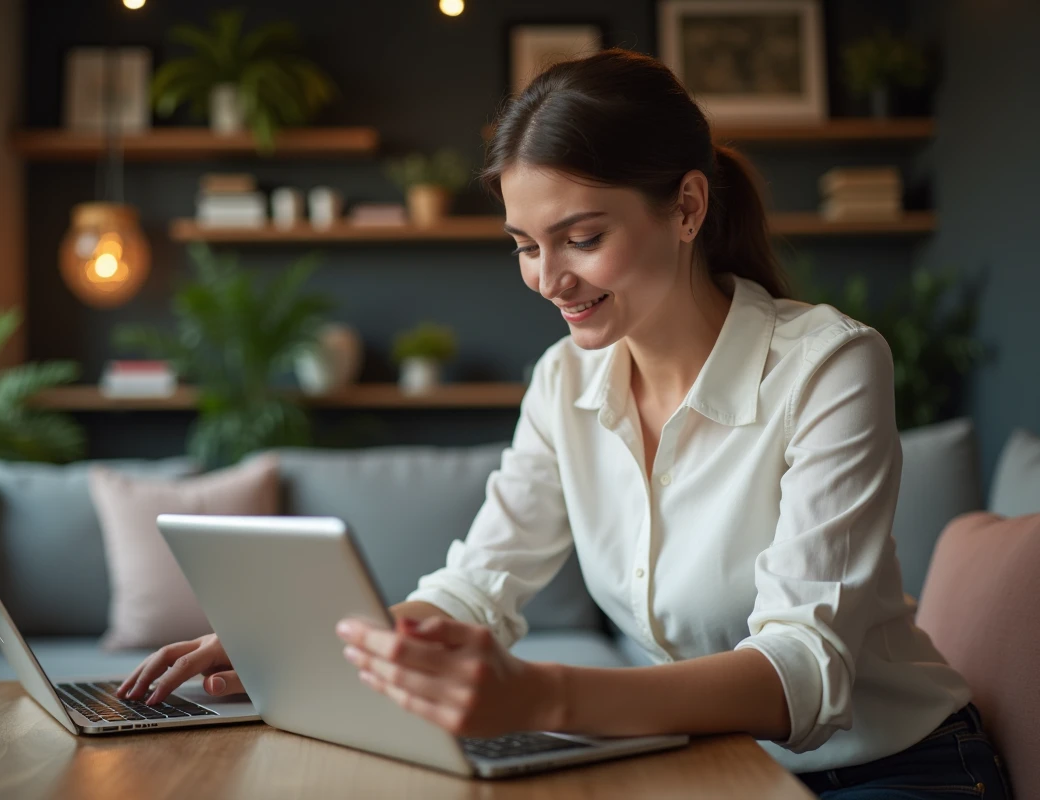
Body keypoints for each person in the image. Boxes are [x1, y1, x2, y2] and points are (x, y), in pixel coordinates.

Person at [117, 49, 1012, 798]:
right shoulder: (564, 380)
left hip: (895, 770)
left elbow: (804, 673)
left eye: (581, 238)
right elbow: (477, 588)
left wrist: (537, 696)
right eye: (523, 245)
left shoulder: (829, 364)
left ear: (688, 207)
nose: (548, 278)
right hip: (719, 768)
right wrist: (306, 642)